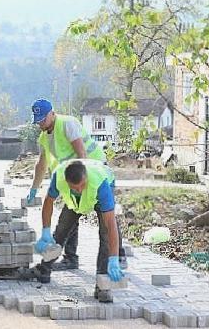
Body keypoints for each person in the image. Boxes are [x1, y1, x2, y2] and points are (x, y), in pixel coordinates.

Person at [26, 98, 126, 270]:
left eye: (43, 119)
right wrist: (34, 188)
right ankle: (68, 259)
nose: (40, 123)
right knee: (69, 215)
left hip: (92, 172)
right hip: (71, 176)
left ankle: (117, 256)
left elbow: (82, 154)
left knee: (105, 219)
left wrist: (82, 184)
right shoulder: (44, 137)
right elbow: (41, 164)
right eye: (38, 121)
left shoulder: (67, 124)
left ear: (52, 113)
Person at [19, 159, 124, 303]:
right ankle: (44, 269)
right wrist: (45, 231)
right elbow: (49, 201)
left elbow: (111, 226)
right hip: (74, 203)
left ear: (85, 178)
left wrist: (113, 259)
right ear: (67, 182)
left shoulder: (101, 185)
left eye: (82, 186)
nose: (79, 190)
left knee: (105, 236)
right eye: (75, 188)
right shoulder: (59, 177)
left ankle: (103, 285)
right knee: (61, 231)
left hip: (99, 194)